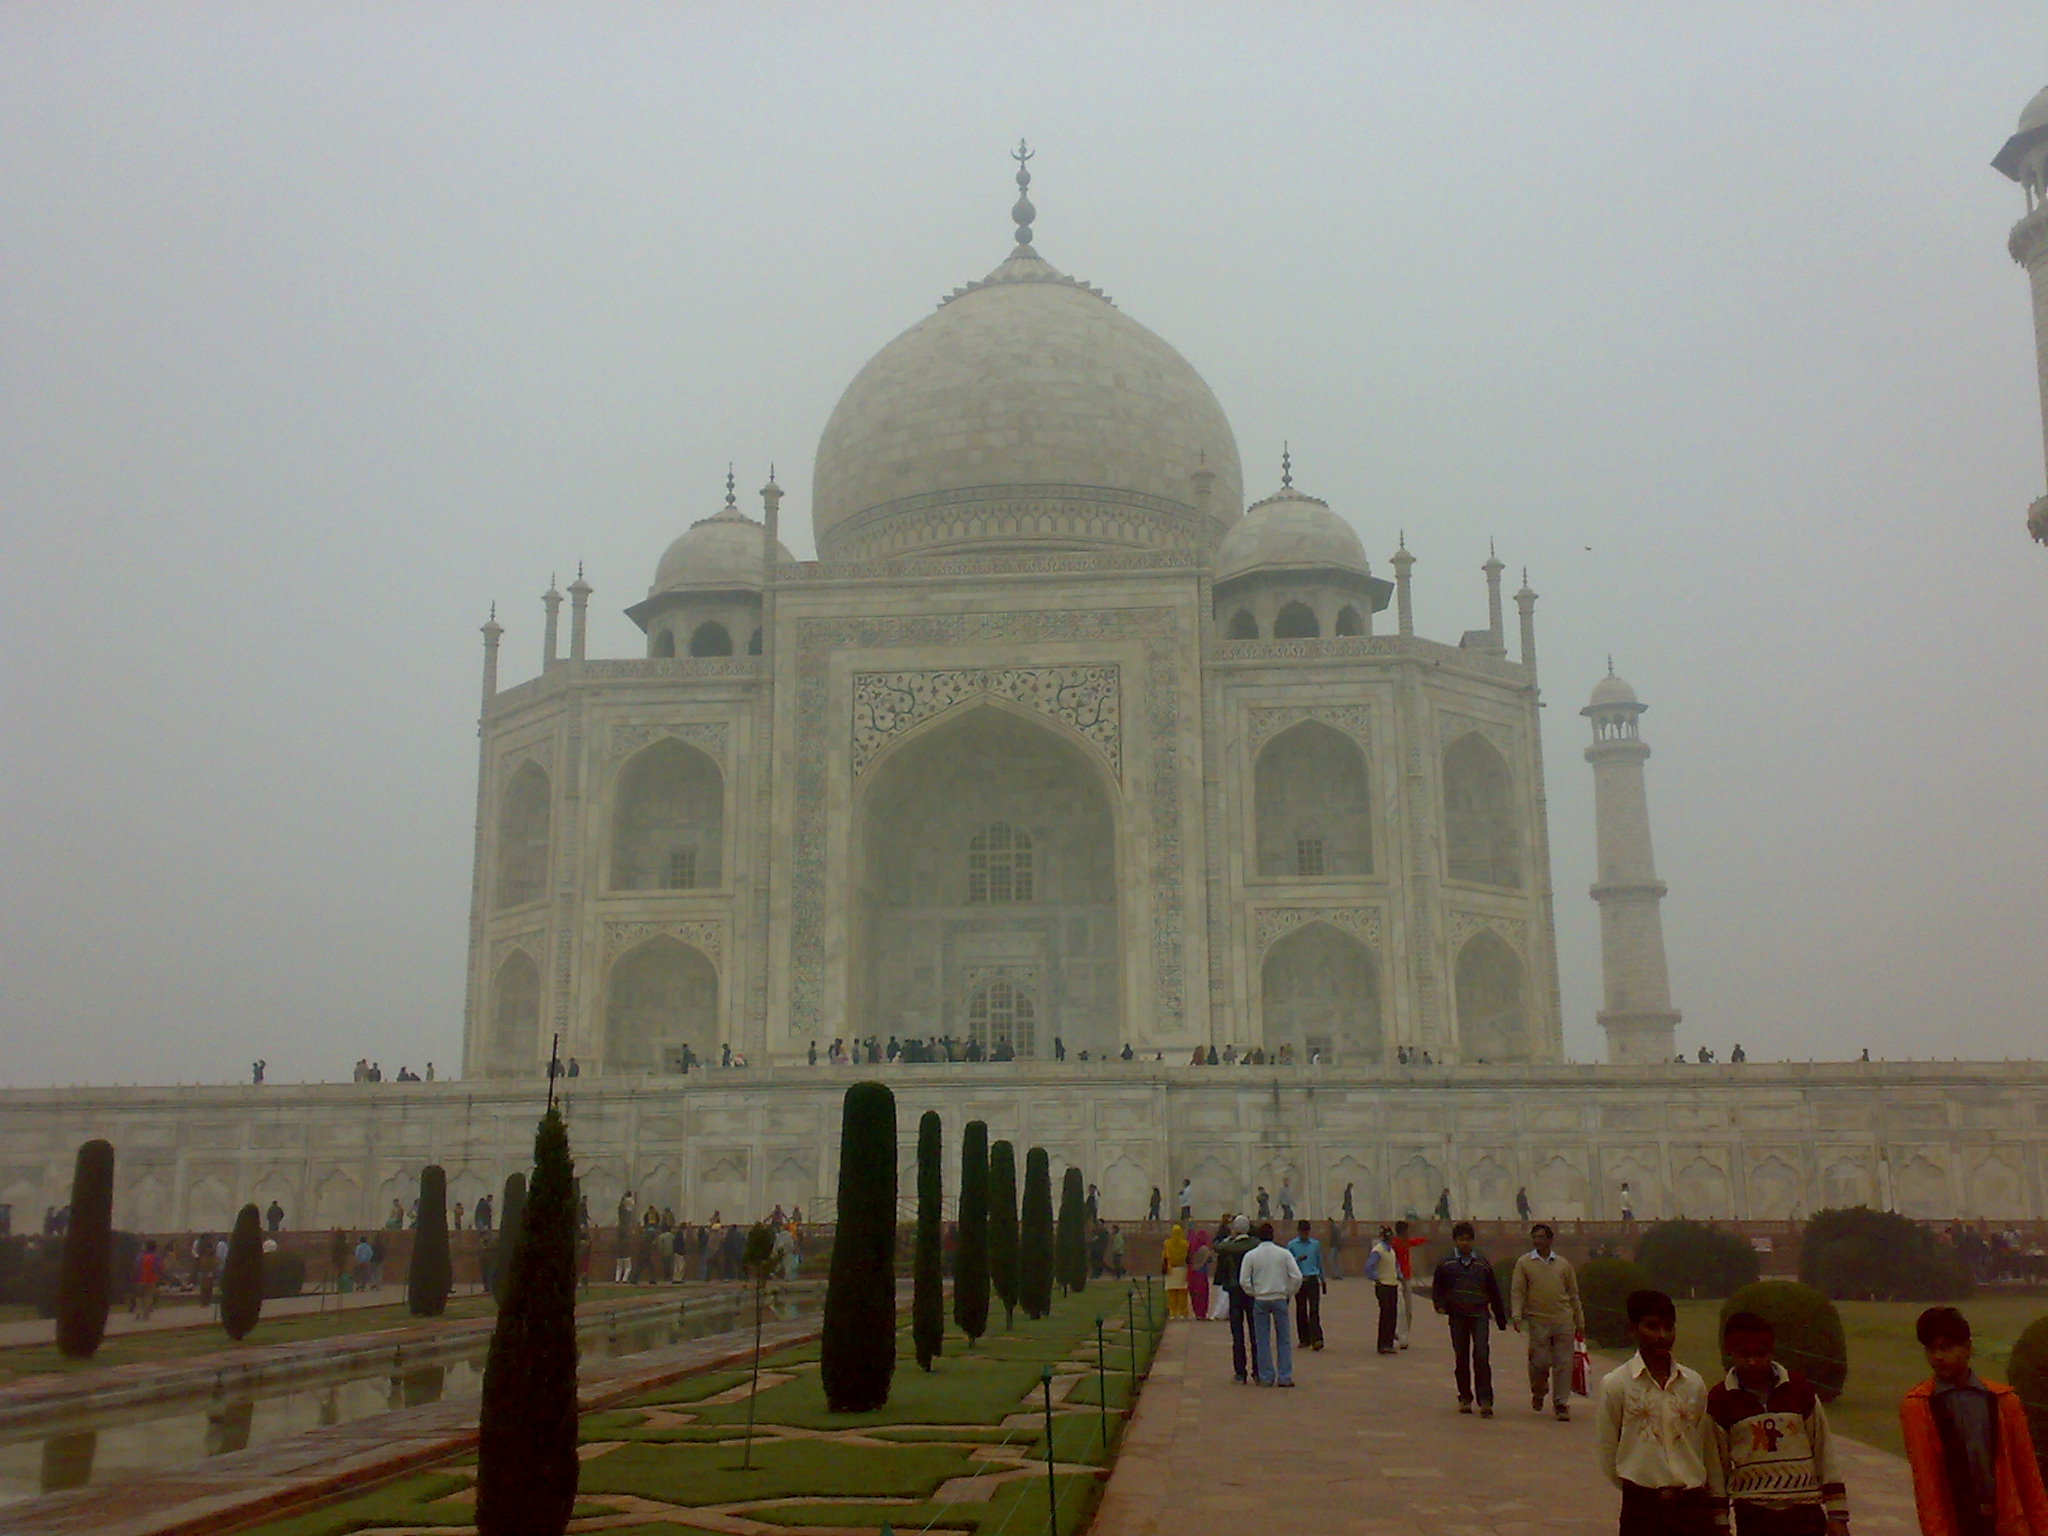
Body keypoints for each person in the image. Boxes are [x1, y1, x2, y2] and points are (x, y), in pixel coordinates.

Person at [1901, 1304, 2048, 1536]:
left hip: (2004, 1522)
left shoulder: (2003, 1401)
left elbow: (2028, 1477)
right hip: (1957, 1522)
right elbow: (1928, 1488)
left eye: (1946, 1348)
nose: (1937, 1357)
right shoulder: (1919, 1406)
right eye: (1931, 1350)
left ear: (1968, 1348)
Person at [1708, 1310, 1849, 1536]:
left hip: (1804, 1510)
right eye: (1744, 1354)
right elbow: (1717, 1467)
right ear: (1730, 1353)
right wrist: (1721, 1523)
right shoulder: (1721, 1399)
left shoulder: (1799, 1390)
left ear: (1772, 1351)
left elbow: (1824, 1450)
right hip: (1754, 1513)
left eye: (1760, 1353)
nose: (1753, 1361)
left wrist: (1837, 1513)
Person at [1596, 1289, 1720, 1535]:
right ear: (1632, 1328)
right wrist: (1638, 1484)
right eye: (1651, 1327)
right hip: (1642, 1508)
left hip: (1692, 1505)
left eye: (1669, 1327)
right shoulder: (1617, 1384)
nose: (1662, 1336)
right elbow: (1608, 1451)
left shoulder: (1693, 1384)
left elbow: (1706, 1447)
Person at [1431, 1220, 1508, 1416]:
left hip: (1479, 1314)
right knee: (1461, 1357)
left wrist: (1500, 1317)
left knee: (1482, 1355)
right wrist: (1440, 1304)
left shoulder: (1482, 1263)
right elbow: (1438, 1287)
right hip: (1457, 1315)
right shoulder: (1447, 1263)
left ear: (1473, 1241)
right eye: (1461, 1239)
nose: (1465, 1243)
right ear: (1455, 1241)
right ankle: (1465, 1396)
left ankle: (1485, 1399)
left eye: (1468, 1240)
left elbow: (1493, 1291)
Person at [1510, 1222, 1584, 1420]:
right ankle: (1539, 1391)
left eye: (1542, 1237)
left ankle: (1561, 1402)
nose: (1538, 1241)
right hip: (1538, 1319)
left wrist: (1580, 1320)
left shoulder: (1563, 1265)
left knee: (1563, 1363)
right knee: (1539, 1363)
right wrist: (1517, 1315)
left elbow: (1573, 1294)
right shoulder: (1524, 1263)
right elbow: (1518, 1291)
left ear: (1550, 1240)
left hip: (1563, 1318)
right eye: (1535, 1237)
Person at [1238, 1221, 1303, 1386]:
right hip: (1279, 1297)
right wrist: (1288, 1292)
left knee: (1262, 1339)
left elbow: (1244, 1280)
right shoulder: (1283, 1253)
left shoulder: (1251, 1255)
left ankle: (1266, 1376)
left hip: (1261, 1299)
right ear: (1273, 1236)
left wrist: (1253, 1292)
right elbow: (1297, 1277)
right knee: (1284, 1339)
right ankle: (1284, 1376)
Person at [1213, 1214, 1259, 1383]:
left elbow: (1217, 1245)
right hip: (1252, 1292)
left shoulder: (1228, 1247)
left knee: (1237, 1334)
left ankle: (1240, 1373)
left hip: (1235, 1291)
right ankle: (1258, 1371)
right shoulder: (1255, 1245)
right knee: (1255, 1333)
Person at [1286, 1218, 1324, 1350]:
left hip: (1313, 1278)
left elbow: (1319, 1262)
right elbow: (1288, 1264)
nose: (1305, 1234)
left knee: (1314, 1310)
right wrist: (1297, 1259)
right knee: (1301, 1309)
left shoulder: (1315, 1244)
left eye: (1306, 1232)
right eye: (1302, 1232)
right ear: (1298, 1231)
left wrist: (1322, 1280)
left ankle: (1317, 1338)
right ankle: (1304, 1338)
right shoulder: (1292, 1245)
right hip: (1299, 1279)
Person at [1391, 1218, 1427, 1349]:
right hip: (1397, 1279)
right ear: (1403, 1231)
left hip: (1407, 1278)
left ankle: (1402, 1334)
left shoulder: (1405, 1242)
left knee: (1408, 1310)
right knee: (1401, 1309)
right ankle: (1402, 1337)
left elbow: (1415, 1242)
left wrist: (1426, 1239)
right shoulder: (1394, 1244)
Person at [1365, 1225, 1401, 1353]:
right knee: (1386, 1315)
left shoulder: (1391, 1250)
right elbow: (1369, 1267)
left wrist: (1399, 1275)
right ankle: (1383, 1344)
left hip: (1392, 1284)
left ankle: (1389, 1342)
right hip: (1383, 1286)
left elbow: (1395, 1265)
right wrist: (1377, 1279)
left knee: (1392, 1315)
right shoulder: (1378, 1250)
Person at [1162, 1223, 1191, 1318]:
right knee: (1183, 1293)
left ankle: (1173, 1313)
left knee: (1172, 1294)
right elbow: (1188, 1257)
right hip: (1182, 1269)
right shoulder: (1185, 1244)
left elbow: (1164, 1256)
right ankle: (1183, 1313)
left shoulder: (1167, 1243)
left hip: (1171, 1269)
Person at [1186, 1222, 1213, 1320]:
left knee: (1195, 1294)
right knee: (1203, 1294)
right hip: (1202, 1273)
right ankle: (1202, 1313)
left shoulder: (1192, 1247)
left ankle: (1197, 1313)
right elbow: (1210, 1260)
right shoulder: (1204, 1249)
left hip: (1193, 1273)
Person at [132, 1240, 162, 1320]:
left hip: (141, 1278)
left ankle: (138, 1313)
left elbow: (136, 1266)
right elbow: (159, 1268)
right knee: (149, 1296)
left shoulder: (140, 1256)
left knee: (139, 1297)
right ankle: (146, 1314)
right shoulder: (157, 1257)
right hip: (152, 1279)